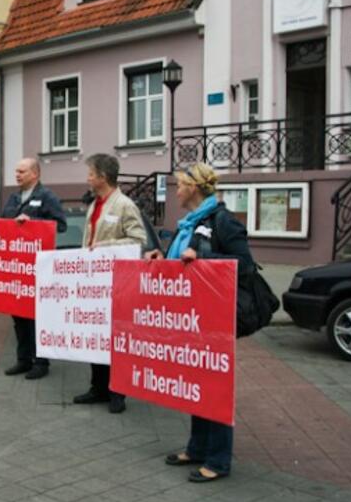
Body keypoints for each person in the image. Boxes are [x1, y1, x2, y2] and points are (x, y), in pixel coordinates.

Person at [145, 162, 254, 482]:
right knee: (196, 384)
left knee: (214, 387)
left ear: (194, 188)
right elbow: (180, 265)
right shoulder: (189, 223)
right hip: (189, 318)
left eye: (179, 185)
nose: (176, 190)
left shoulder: (223, 221)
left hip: (214, 318)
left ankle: (219, 459)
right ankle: (197, 447)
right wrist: (160, 260)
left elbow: (244, 265)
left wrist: (203, 260)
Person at [72, 154, 147, 413]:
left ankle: (118, 392)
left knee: (115, 339)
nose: (87, 178)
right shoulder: (95, 204)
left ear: (103, 177)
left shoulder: (125, 205)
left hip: (116, 284)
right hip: (94, 283)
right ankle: (98, 387)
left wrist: (104, 247)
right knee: (96, 337)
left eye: (91, 173)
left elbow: (138, 240)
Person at [1, 157, 67, 380]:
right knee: (18, 315)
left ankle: (41, 362)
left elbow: (61, 224)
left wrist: (32, 224)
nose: (17, 175)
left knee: (37, 316)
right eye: (16, 171)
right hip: (17, 267)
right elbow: (3, 221)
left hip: (39, 267)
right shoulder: (13, 197)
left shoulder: (47, 197)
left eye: (21, 171)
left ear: (35, 174)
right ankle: (23, 359)